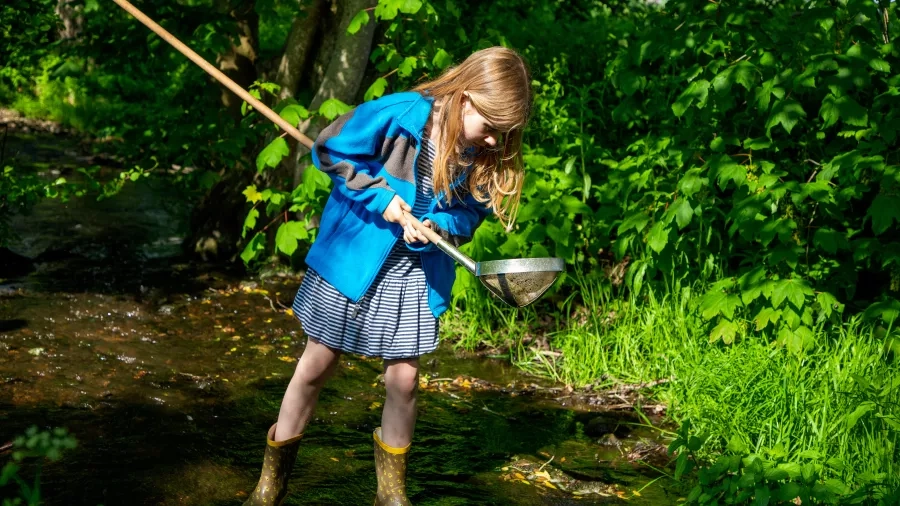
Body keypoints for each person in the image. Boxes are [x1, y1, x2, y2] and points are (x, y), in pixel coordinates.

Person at [243, 46, 532, 506]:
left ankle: (391, 497)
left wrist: (442, 226)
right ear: (465, 97)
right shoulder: (399, 114)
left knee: (404, 381)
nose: (496, 141)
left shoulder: (481, 152)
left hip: (413, 271)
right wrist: (383, 201)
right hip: (357, 257)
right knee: (317, 365)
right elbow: (330, 150)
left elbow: (471, 215)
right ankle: (269, 487)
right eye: (492, 127)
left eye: (504, 133)